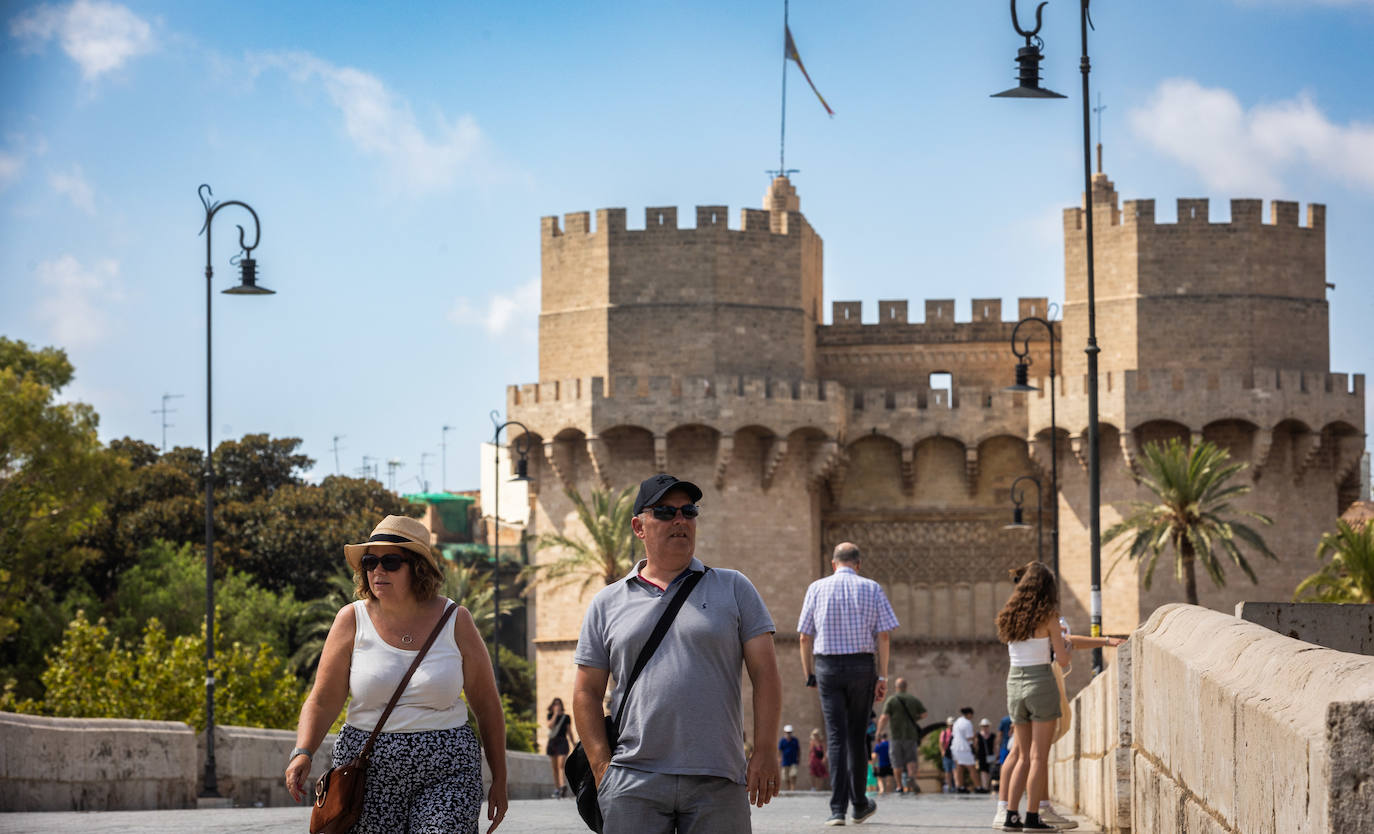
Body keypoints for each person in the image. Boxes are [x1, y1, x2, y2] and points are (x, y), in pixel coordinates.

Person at [572, 473, 782, 834]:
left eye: (689, 511)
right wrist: (602, 768)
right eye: (666, 513)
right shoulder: (607, 602)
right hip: (633, 779)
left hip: (718, 777)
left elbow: (766, 674)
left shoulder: (734, 587)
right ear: (639, 526)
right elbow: (585, 691)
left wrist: (765, 749)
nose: (680, 520)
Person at [285, 514, 508, 834]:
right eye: (370, 561)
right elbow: (322, 700)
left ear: (418, 568)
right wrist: (302, 752)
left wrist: (500, 779)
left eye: (390, 561)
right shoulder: (351, 620)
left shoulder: (455, 620)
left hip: (446, 772)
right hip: (365, 774)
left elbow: (486, 706)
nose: (377, 570)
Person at [798, 541, 899, 826]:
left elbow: (804, 636)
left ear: (834, 564)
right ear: (858, 563)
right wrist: (882, 676)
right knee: (857, 737)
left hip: (827, 666)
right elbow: (884, 636)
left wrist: (810, 674)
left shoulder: (816, 588)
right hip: (862, 667)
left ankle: (837, 810)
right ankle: (859, 804)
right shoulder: (872, 588)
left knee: (836, 737)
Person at [995, 561, 1071, 831]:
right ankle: (1032, 817)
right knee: (1039, 757)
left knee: (1021, 755)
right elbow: (1061, 660)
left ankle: (1010, 816)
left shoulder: (1008, 615)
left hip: (1015, 683)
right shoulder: (1049, 616)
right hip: (1040, 682)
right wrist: (1065, 645)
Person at [874, 677, 926, 794]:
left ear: (896, 687)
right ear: (906, 687)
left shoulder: (892, 700)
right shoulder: (913, 699)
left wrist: (878, 732)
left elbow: (884, 717)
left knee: (896, 762)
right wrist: (914, 718)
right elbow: (924, 714)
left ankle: (899, 786)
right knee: (911, 759)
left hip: (896, 735)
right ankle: (911, 778)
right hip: (911, 735)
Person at [546, 697, 575, 799]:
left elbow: (569, 731)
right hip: (552, 742)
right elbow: (549, 726)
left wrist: (573, 743)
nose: (557, 706)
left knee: (560, 765)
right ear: (553, 706)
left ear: (562, 705)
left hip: (562, 741)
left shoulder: (566, 717)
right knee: (554, 768)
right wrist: (554, 714)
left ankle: (562, 786)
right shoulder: (550, 715)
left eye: (559, 704)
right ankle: (557, 789)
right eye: (555, 704)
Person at [950, 707, 977, 793]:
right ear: (969, 714)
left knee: (959, 768)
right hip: (963, 748)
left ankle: (960, 786)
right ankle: (979, 786)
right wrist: (975, 737)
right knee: (971, 767)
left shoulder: (957, 722)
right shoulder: (967, 723)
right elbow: (969, 737)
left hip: (955, 747)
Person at [973, 718, 997, 793]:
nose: (985, 727)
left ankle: (987, 786)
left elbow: (995, 746)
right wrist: (976, 755)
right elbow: (975, 746)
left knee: (989, 771)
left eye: (986, 726)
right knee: (983, 771)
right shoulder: (978, 735)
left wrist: (996, 755)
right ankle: (984, 787)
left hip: (990, 756)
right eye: (983, 726)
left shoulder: (993, 735)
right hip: (981, 755)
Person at [778, 725, 801, 791]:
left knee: (793, 775)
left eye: (790, 732)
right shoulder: (782, 741)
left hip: (793, 761)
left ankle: (792, 789)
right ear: (785, 732)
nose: (788, 734)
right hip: (785, 761)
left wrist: (799, 758)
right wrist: (779, 758)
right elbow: (779, 750)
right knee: (786, 777)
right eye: (787, 732)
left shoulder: (795, 740)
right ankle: (788, 789)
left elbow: (798, 749)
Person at [939, 718, 955, 793]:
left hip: (955, 754)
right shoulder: (944, 732)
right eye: (950, 725)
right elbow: (941, 743)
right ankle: (949, 786)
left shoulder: (956, 732)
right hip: (947, 754)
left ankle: (956, 785)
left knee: (955, 770)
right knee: (948, 770)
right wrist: (942, 751)